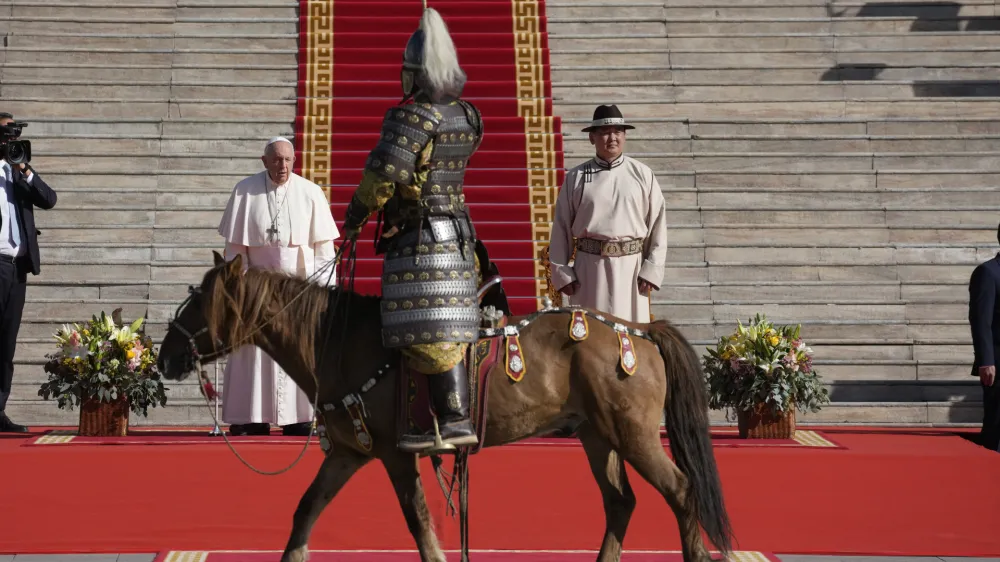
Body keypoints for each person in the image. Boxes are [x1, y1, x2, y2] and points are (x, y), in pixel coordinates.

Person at [340, 7, 483, 453]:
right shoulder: (467, 115)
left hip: (421, 241)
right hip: (459, 238)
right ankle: (423, 419)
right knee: (442, 326)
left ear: (416, 74)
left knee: (429, 326)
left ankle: (453, 418)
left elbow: (379, 181)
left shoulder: (410, 118)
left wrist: (354, 220)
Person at [217, 136, 340, 436]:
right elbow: (235, 251)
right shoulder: (245, 191)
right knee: (253, 353)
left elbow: (324, 252)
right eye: (276, 159)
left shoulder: (311, 193)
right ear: (264, 161)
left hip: (297, 290)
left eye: (287, 159)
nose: (282, 165)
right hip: (257, 291)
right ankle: (250, 418)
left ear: (294, 160)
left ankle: (298, 418)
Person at [547, 104, 668, 324]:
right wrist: (563, 273)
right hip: (589, 271)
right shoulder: (576, 177)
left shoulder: (643, 175)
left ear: (625, 136)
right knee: (591, 338)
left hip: (631, 269)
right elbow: (561, 227)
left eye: (617, 132)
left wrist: (652, 270)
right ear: (592, 138)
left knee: (632, 337)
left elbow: (658, 226)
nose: (612, 138)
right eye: (604, 133)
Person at [0, 112, 57, 433]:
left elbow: (49, 199)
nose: (9, 142)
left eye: (12, 136)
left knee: (6, 344)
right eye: (4, 135)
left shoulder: (17, 171)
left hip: (17, 268)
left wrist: (24, 168)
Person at [968, 222, 999, 452]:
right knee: (996, 426)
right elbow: (981, 320)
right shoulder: (988, 272)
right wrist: (986, 360)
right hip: (997, 363)